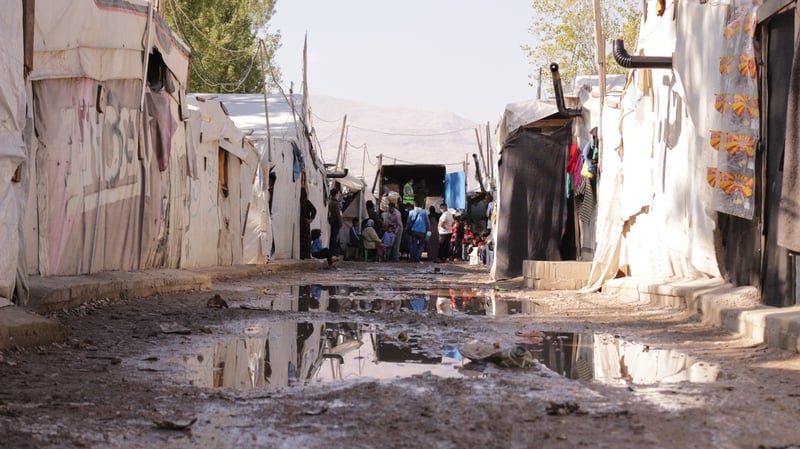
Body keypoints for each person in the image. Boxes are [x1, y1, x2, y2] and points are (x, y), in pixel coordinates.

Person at [299, 187, 316, 259]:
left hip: (304, 222)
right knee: (305, 239)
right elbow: (314, 210)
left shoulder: (304, 202)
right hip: (305, 222)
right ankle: (305, 254)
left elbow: (314, 210)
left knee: (304, 239)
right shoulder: (305, 202)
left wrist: (310, 219)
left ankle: (304, 255)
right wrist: (310, 219)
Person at [327, 187, 343, 256]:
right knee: (334, 237)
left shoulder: (330, 201)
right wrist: (340, 222)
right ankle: (332, 252)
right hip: (336, 221)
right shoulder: (336, 203)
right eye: (338, 193)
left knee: (333, 236)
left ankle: (332, 251)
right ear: (336, 194)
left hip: (332, 220)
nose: (339, 195)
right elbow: (338, 214)